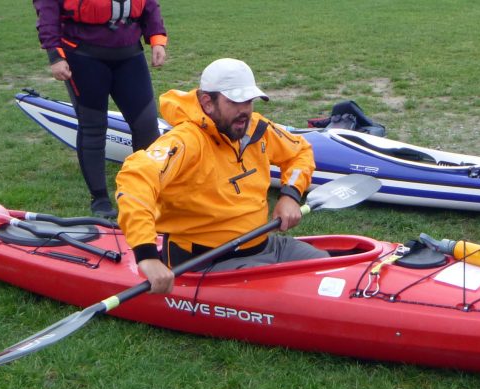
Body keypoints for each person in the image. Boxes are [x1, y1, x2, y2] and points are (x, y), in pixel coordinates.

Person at [115, 58, 329, 294]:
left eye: (249, 101)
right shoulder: (185, 141)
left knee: (329, 269)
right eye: (235, 102)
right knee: (301, 293)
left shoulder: (256, 129)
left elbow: (300, 151)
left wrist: (290, 194)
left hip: (264, 245)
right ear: (208, 102)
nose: (245, 110)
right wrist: (146, 255)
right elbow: (135, 180)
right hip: (206, 262)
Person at [32, 0, 168, 218]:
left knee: (146, 125)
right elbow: (48, 9)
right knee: (93, 127)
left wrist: (157, 39)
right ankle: (100, 199)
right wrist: (55, 54)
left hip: (129, 54)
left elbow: (149, 4)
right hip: (83, 55)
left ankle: (146, 190)